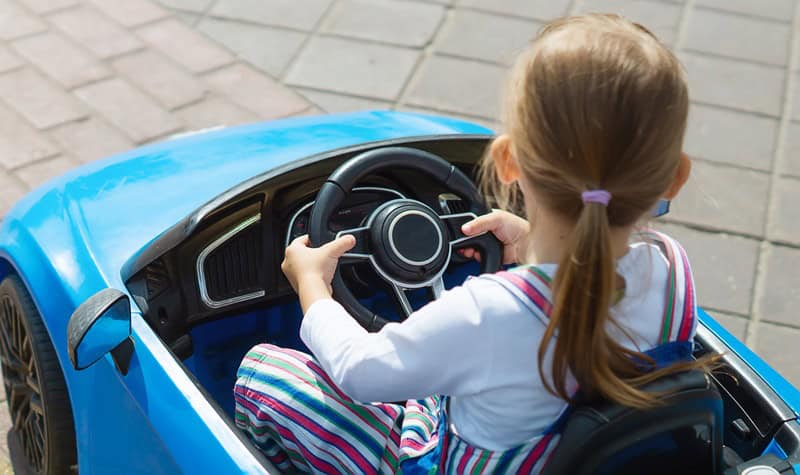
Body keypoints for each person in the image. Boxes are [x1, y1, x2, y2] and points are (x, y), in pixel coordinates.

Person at [234, 14, 713, 474]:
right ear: (674, 178)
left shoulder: (485, 315)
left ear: (506, 160)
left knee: (262, 375)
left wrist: (312, 285)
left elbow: (359, 372)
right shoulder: (671, 268)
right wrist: (528, 244)